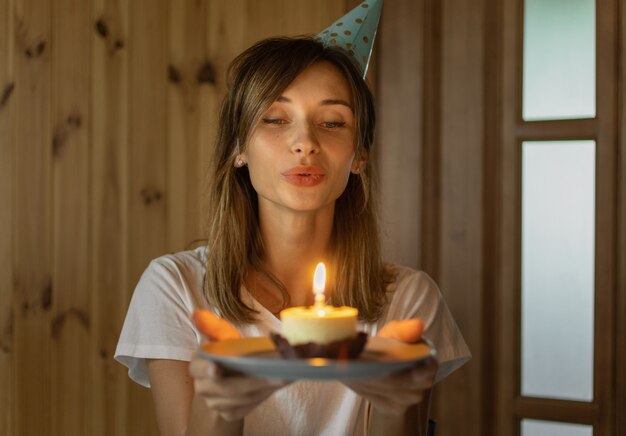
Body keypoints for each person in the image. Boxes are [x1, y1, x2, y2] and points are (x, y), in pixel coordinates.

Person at [115, 34, 470, 436]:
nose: (305, 144)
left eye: (333, 123)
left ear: (360, 156)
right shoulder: (175, 286)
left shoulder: (408, 297)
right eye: (275, 119)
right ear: (238, 148)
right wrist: (223, 407)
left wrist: (393, 405)